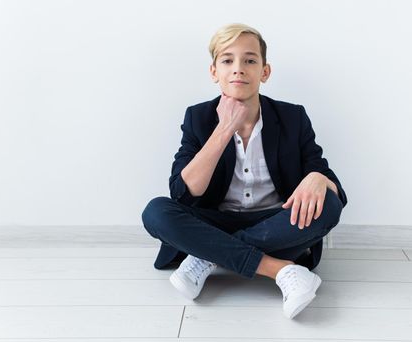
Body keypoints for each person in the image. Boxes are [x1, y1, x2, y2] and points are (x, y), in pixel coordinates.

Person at [142, 23, 347, 319]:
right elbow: (184, 193)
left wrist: (317, 177)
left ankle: (207, 255)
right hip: (214, 222)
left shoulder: (293, 117)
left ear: (264, 71)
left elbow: (334, 188)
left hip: (275, 222)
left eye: (250, 60)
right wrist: (224, 129)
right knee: (156, 212)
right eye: (227, 60)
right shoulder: (198, 117)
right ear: (214, 72)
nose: (239, 68)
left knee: (327, 203)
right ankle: (278, 269)